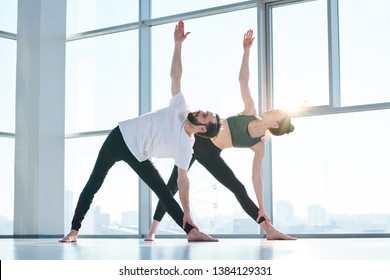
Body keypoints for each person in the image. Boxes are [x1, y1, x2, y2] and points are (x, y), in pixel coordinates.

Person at [60, 20, 222, 243]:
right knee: (94, 183)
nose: (202, 111)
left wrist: (187, 212)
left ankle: (191, 231)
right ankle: (73, 231)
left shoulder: (186, 146)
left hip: (139, 155)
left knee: (164, 193)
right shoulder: (180, 108)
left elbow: (182, 181)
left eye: (205, 116)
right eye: (205, 111)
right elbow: (176, 76)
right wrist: (178, 45)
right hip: (119, 137)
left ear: (203, 128)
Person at [145, 29, 296, 241]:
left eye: (276, 112)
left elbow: (256, 177)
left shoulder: (259, 145)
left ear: (275, 123)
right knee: (172, 186)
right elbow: (243, 80)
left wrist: (262, 206)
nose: (272, 109)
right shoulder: (250, 111)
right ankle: (152, 231)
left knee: (238, 188)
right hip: (196, 139)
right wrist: (246, 51)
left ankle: (269, 230)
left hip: (211, 153)